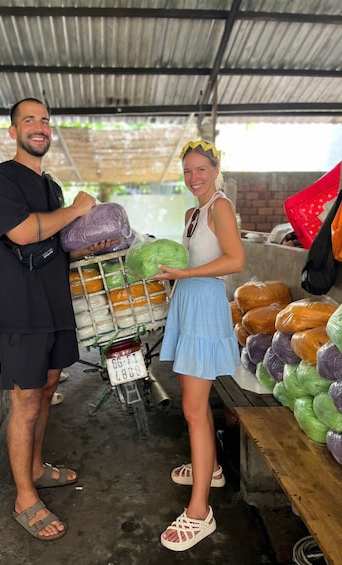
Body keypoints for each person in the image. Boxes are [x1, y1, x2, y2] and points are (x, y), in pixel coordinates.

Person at [0, 98, 115, 542]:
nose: (39, 127)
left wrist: (93, 243)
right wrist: (77, 211)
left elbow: (55, 244)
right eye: (29, 120)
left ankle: (36, 469)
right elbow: (21, 232)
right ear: (13, 130)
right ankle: (24, 497)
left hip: (57, 306)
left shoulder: (54, 188)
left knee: (50, 388)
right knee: (27, 401)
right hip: (22, 310)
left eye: (44, 121)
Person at [153, 139, 245, 551]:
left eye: (201, 170)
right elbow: (192, 261)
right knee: (196, 404)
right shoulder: (193, 213)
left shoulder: (220, 207)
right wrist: (169, 273)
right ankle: (211, 470)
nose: (194, 178)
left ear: (215, 168)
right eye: (187, 171)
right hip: (188, 306)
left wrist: (184, 276)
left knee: (192, 407)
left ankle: (199, 512)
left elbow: (235, 260)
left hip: (205, 307)